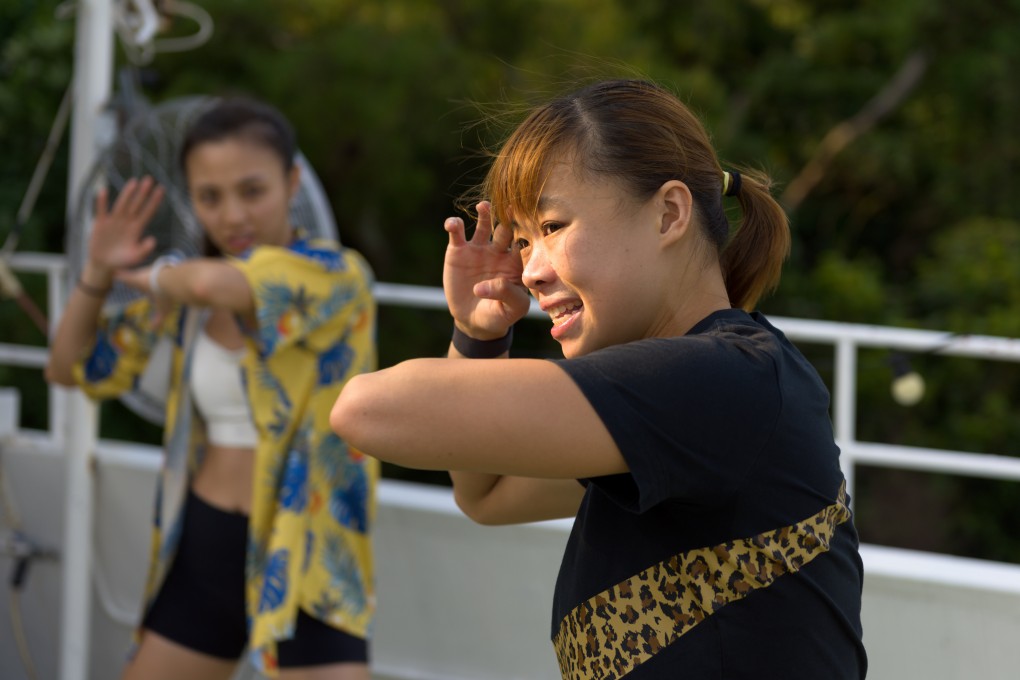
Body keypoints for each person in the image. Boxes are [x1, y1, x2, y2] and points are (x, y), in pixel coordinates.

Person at [329, 79, 867, 679]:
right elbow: (488, 495)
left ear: (669, 214)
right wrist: (478, 333)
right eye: (524, 240)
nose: (529, 271)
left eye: (553, 228)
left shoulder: (719, 379)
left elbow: (366, 409)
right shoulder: (706, 393)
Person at [47, 97, 378, 680]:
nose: (232, 215)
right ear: (190, 199)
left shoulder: (336, 276)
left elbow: (218, 285)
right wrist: (97, 274)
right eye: (210, 197)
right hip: (203, 543)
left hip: (304, 551)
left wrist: (148, 275)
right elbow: (69, 368)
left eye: (252, 191)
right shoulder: (184, 301)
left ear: (292, 181)